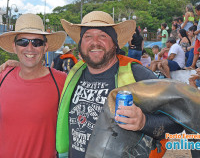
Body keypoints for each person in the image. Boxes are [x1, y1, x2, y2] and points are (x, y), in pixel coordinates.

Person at [56, 11, 184, 158]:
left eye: (103, 35)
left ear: (115, 42)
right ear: (80, 44)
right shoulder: (74, 74)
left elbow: (177, 122)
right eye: (88, 36)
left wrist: (144, 122)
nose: (95, 42)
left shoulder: (138, 75)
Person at [0, 13, 67, 158]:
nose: (29, 48)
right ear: (14, 47)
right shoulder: (3, 76)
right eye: (23, 42)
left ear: (45, 47)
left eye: (36, 42)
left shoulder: (61, 81)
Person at [187, 4, 200, 70]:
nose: (196, 13)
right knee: (196, 52)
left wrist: (197, 31)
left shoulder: (188, 14)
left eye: (197, 11)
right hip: (198, 38)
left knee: (196, 52)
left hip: (198, 36)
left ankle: (193, 65)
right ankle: (193, 65)